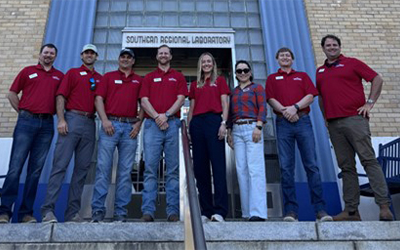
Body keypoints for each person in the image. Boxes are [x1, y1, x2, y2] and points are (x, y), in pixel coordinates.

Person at [316, 34, 393, 221]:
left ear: (339, 47)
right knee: (346, 167)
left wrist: (369, 104)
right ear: (323, 48)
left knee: (368, 161)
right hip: (334, 124)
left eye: (335, 44)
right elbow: (321, 97)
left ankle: (384, 206)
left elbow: (377, 79)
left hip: (355, 119)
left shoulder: (352, 63)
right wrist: (325, 118)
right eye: (328, 45)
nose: (332, 47)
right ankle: (351, 212)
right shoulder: (319, 72)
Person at [265, 47, 332, 222]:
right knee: (286, 168)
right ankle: (290, 212)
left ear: (292, 59)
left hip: (302, 121)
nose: (285, 58)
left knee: (311, 166)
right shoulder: (272, 78)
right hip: (283, 124)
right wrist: (286, 112)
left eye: (288, 55)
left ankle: (320, 210)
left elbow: (311, 96)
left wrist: (294, 108)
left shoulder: (302, 76)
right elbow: (271, 99)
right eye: (281, 56)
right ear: (277, 59)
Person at [0, 44, 63, 224]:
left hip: (46, 125)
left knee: (35, 172)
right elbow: (12, 94)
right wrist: (22, 112)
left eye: (52, 53)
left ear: (55, 56)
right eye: (46, 52)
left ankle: (26, 213)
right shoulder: (28, 71)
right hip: (26, 122)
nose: (48, 55)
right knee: (15, 168)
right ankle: (4, 212)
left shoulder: (59, 76)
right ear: (40, 54)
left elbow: (61, 99)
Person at [41, 44, 102, 223]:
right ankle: (47, 211)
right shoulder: (73, 73)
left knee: (81, 170)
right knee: (60, 166)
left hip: (90, 123)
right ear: (81, 56)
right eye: (86, 53)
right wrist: (61, 120)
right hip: (72, 119)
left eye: (92, 53)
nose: (89, 55)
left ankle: (72, 213)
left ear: (96, 57)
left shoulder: (100, 78)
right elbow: (60, 96)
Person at [91, 48, 143, 223]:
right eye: (123, 57)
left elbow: (144, 102)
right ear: (119, 59)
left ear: (133, 61)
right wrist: (104, 120)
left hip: (130, 129)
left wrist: (138, 123)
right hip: (110, 126)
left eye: (129, 57)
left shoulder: (139, 80)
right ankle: (98, 211)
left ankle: (121, 212)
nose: (126, 59)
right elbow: (98, 99)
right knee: (103, 169)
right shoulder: (108, 77)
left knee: (125, 172)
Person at [139, 44, 188, 222]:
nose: (163, 55)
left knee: (173, 171)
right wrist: (158, 117)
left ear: (170, 56)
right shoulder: (149, 77)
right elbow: (144, 101)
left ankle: (172, 211)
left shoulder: (178, 77)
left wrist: (166, 115)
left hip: (173, 125)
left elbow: (181, 98)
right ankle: (148, 211)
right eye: (161, 53)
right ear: (157, 56)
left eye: (166, 53)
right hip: (152, 126)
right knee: (150, 170)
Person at [187, 52, 230, 222]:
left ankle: (220, 211)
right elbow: (191, 108)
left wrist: (224, 123)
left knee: (218, 167)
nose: (206, 64)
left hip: (214, 122)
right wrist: (189, 128)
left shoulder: (219, 81)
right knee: (200, 169)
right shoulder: (195, 84)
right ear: (200, 65)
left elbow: (225, 103)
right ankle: (206, 211)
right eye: (203, 61)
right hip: (197, 124)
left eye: (209, 61)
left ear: (213, 64)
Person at [227, 60, 267, 221]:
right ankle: (246, 212)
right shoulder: (234, 92)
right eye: (239, 71)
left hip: (252, 128)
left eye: (245, 70)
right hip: (237, 130)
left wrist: (259, 126)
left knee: (255, 169)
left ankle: (258, 212)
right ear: (236, 74)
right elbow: (230, 113)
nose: (242, 73)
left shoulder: (257, 88)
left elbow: (262, 107)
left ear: (250, 72)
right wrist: (229, 131)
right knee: (241, 170)